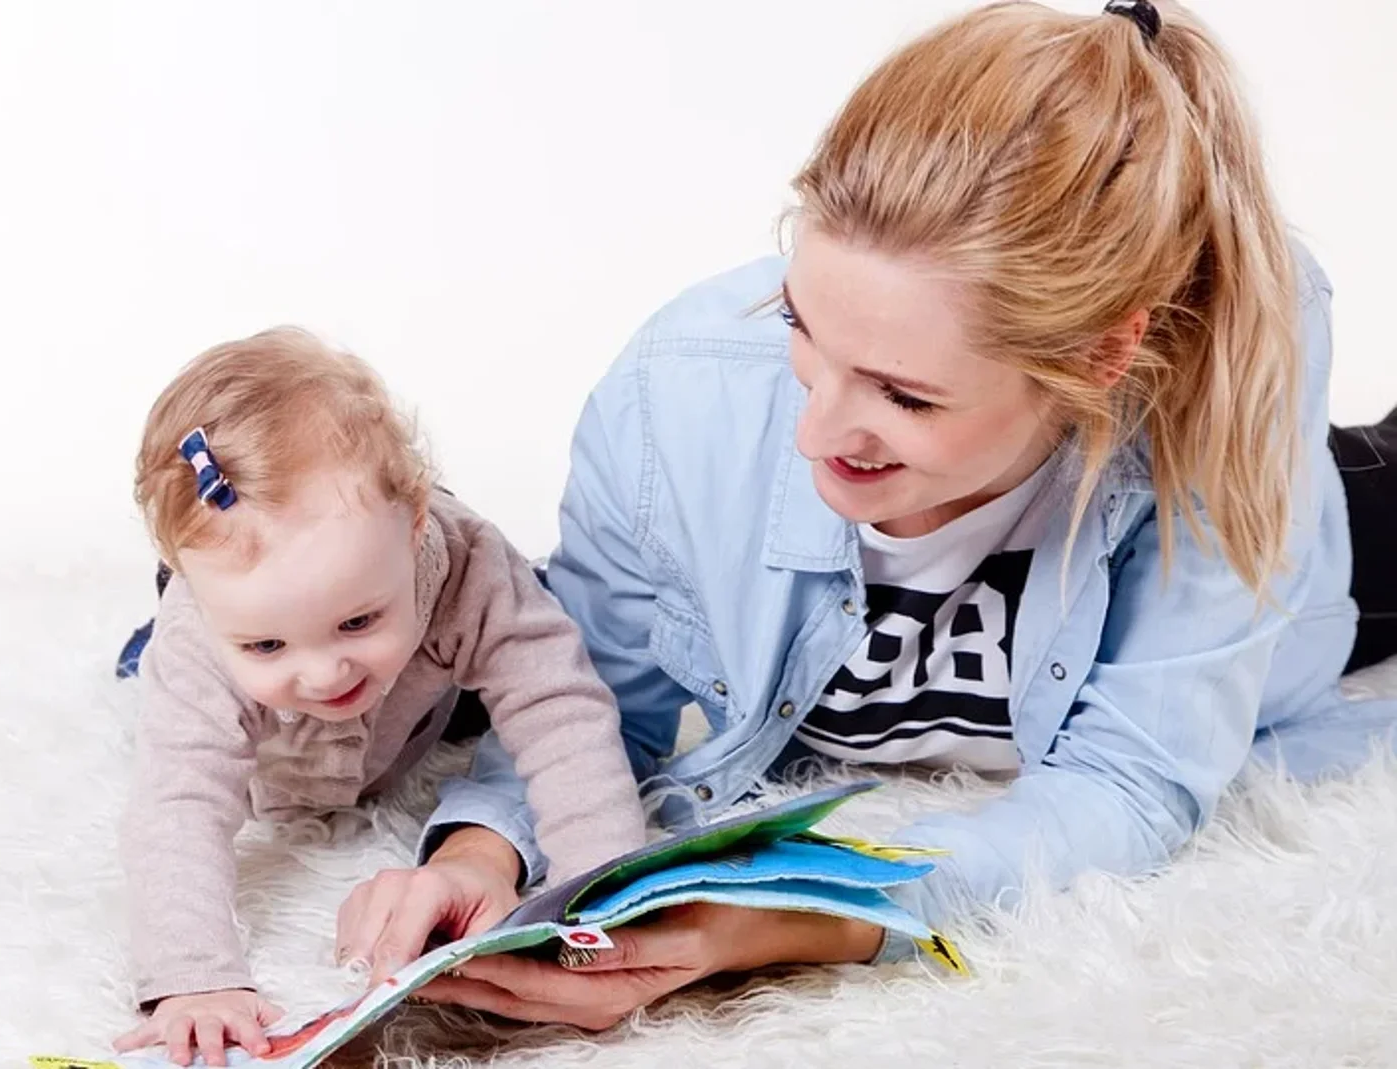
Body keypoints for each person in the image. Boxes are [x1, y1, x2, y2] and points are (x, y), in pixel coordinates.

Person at [335, 0, 1397, 1030]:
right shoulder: (676, 398)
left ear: (1101, 358)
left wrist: (808, 916)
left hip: (1341, 548)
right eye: (802, 327)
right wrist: (480, 851)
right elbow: (585, 692)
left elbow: (1135, 779)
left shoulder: (1219, 387)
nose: (815, 432)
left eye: (904, 394)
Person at [111, 327, 649, 1065]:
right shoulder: (200, 638)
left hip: (414, 706)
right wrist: (192, 977)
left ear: (416, 520)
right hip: (274, 743)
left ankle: (411, 639)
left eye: (357, 619)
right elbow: (177, 803)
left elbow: (561, 708)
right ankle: (160, 636)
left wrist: (609, 885)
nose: (327, 674)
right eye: (267, 644)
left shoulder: (465, 561)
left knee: (539, 628)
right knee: (160, 679)